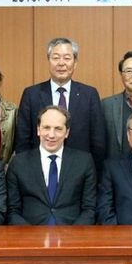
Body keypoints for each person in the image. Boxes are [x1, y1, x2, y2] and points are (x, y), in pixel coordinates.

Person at [14, 37, 106, 170]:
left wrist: (93, 173)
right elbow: (22, 140)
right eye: (56, 58)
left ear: (75, 63)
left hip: (80, 170)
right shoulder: (31, 94)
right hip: (39, 171)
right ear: (48, 61)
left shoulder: (89, 94)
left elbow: (98, 141)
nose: (61, 63)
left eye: (67, 58)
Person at [7, 106, 97, 225]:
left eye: (58, 129)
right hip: (30, 232)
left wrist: (73, 234)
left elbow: (89, 209)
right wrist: (30, 234)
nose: (51, 135)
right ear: (38, 130)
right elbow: (12, 211)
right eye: (46, 128)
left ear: (67, 132)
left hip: (72, 232)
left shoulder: (84, 162)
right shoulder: (19, 163)